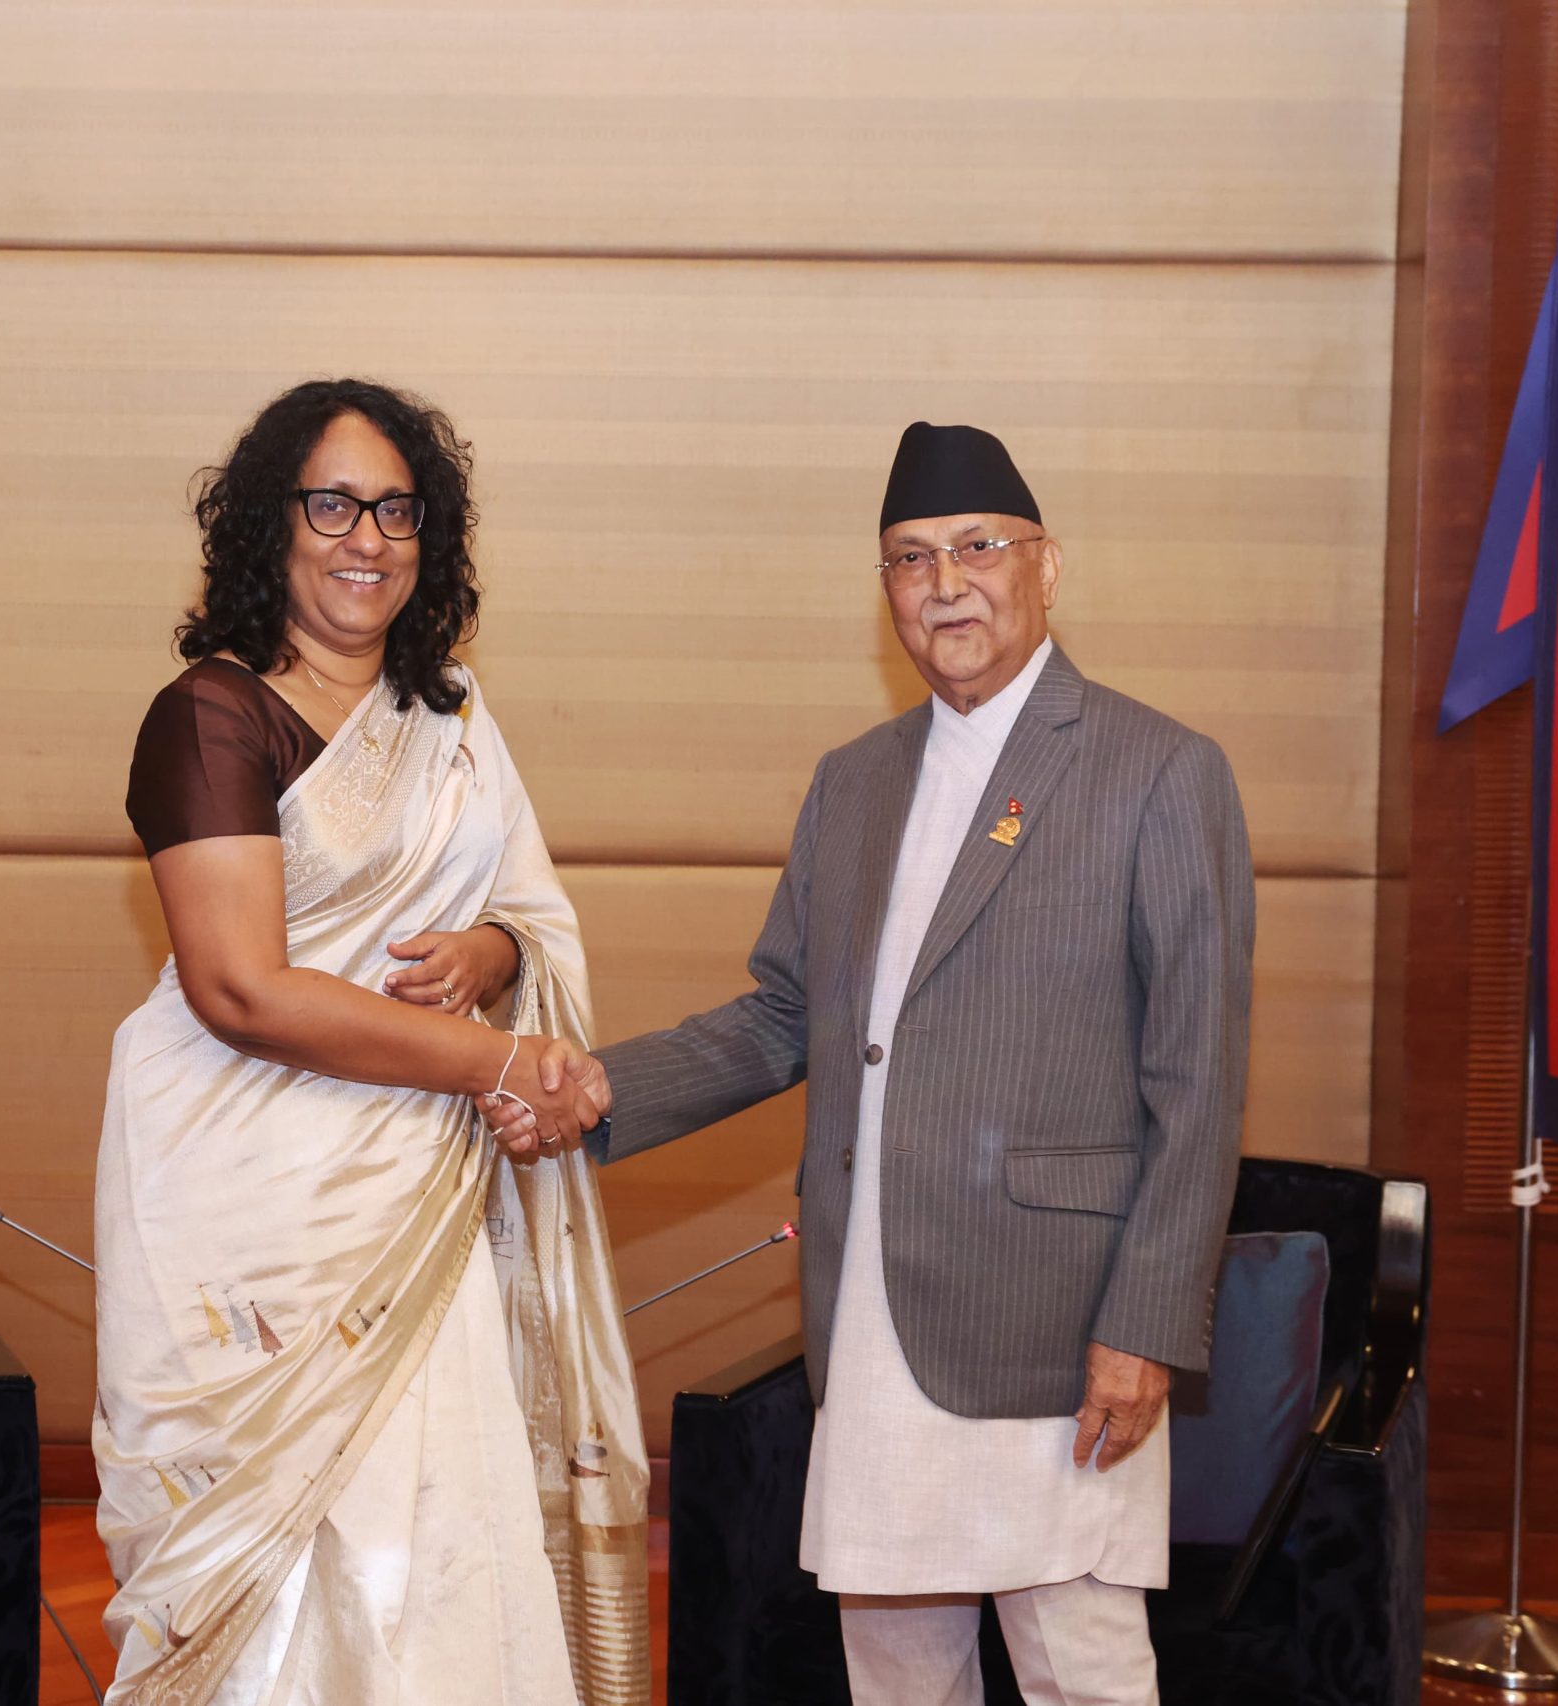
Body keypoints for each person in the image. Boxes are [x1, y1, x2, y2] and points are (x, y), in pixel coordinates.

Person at [487, 424, 1253, 1706]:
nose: (945, 583)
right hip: (873, 1305)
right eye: (909, 557)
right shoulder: (854, 782)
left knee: (1080, 1665)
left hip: (1054, 1317)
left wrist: (1144, 1322)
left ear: (1046, 565)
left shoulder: (1158, 769)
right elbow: (784, 1015)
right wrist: (603, 1086)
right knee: (897, 1665)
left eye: (976, 547)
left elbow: (1199, 1082)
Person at [93, 377, 646, 1706]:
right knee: (282, 1556)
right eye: (333, 504)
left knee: (438, 1534)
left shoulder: (449, 716)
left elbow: (525, 913)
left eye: (398, 510)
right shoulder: (211, 713)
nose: (368, 538)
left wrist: (492, 957)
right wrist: (503, 1063)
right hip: (246, 1197)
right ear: (271, 525)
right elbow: (241, 990)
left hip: (418, 1196)